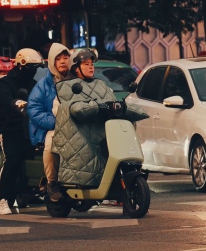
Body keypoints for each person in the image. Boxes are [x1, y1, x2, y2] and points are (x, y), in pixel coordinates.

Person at [52, 49, 148, 189]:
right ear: (76, 68)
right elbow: (65, 109)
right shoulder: (67, 87)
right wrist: (94, 106)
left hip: (103, 131)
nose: (91, 66)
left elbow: (112, 101)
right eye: (86, 64)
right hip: (81, 133)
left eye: (91, 63)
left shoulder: (101, 86)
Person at [0, 48, 42, 215]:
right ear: (21, 66)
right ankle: (3, 199)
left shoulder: (33, 84)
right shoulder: (5, 83)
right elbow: (9, 101)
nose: (33, 72)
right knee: (12, 160)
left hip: (31, 129)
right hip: (11, 129)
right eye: (31, 68)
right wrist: (20, 105)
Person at [27, 43, 73, 202]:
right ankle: (52, 182)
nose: (62, 61)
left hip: (74, 126)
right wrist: (56, 122)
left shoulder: (76, 80)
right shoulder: (43, 85)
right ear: (52, 62)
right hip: (47, 127)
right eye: (58, 58)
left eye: (65, 58)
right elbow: (34, 110)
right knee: (51, 143)